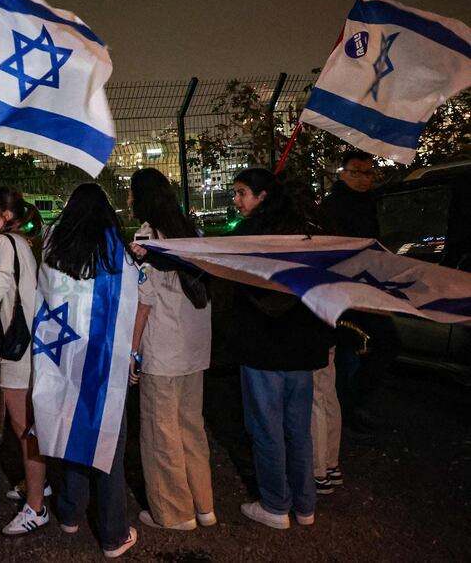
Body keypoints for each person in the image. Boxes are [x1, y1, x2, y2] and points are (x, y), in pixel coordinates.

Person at [38, 182, 138, 558]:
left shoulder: (53, 245)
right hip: (102, 360)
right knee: (108, 439)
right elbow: (130, 300)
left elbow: (43, 293)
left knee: (69, 428)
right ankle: (113, 533)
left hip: (63, 357)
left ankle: (69, 511)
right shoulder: (116, 251)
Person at [230, 168, 334, 530]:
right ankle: (305, 506)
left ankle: (275, 505)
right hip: (300, 350)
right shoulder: (306, 234)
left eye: (243, 193)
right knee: (298, 429)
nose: (237, 200)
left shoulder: (247, 235)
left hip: (262, 348)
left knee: (265, 429)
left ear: (263, 197)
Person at [128, 168, 216, 531]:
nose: (130, 201)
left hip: (164, 349)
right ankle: (204, 504)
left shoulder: (148, 238)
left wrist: (132, 352)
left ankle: (174, 512)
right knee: (191, 426)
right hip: (195, 348)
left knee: (160, 431)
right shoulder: (189, 233)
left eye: (133, 194)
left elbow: (144, 302)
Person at [0, 186, 49, 536]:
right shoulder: (23, 242)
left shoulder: (3, 244)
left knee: (25, 430)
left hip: (14, 347)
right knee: (27, 425)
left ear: (5, 215)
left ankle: (37, 505)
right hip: (27, 342)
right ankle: (36, 486)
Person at [321, 150, 393, 442]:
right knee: (352, 353)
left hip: (364, 288)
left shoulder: (367, 203)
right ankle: (347, 411)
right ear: (342, 173)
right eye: (356, 172)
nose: (363, 179)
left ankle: (349, 408)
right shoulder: (335, 207)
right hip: (345, 293)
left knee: (367, 350)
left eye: (368, 173)